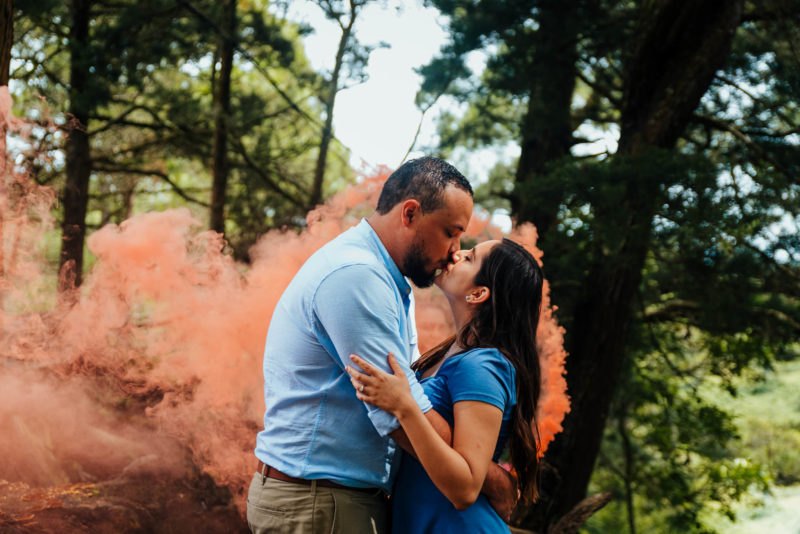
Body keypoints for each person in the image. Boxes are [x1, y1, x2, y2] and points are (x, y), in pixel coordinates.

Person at [247, 157, 517, 534]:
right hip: (322, 504)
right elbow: (400, 416)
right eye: (450, 232)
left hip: (329, 500)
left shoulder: (386, 280)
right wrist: (486, 476)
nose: (454, 250)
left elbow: (405, 400)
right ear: (410, 214)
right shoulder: (359, 278)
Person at [346, 237, 544, 533]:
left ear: (478, 293)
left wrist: (404, 407)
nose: (457, 253)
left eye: (470, 258)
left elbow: (465, 489)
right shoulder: (448, 354)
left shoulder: (484, 365)